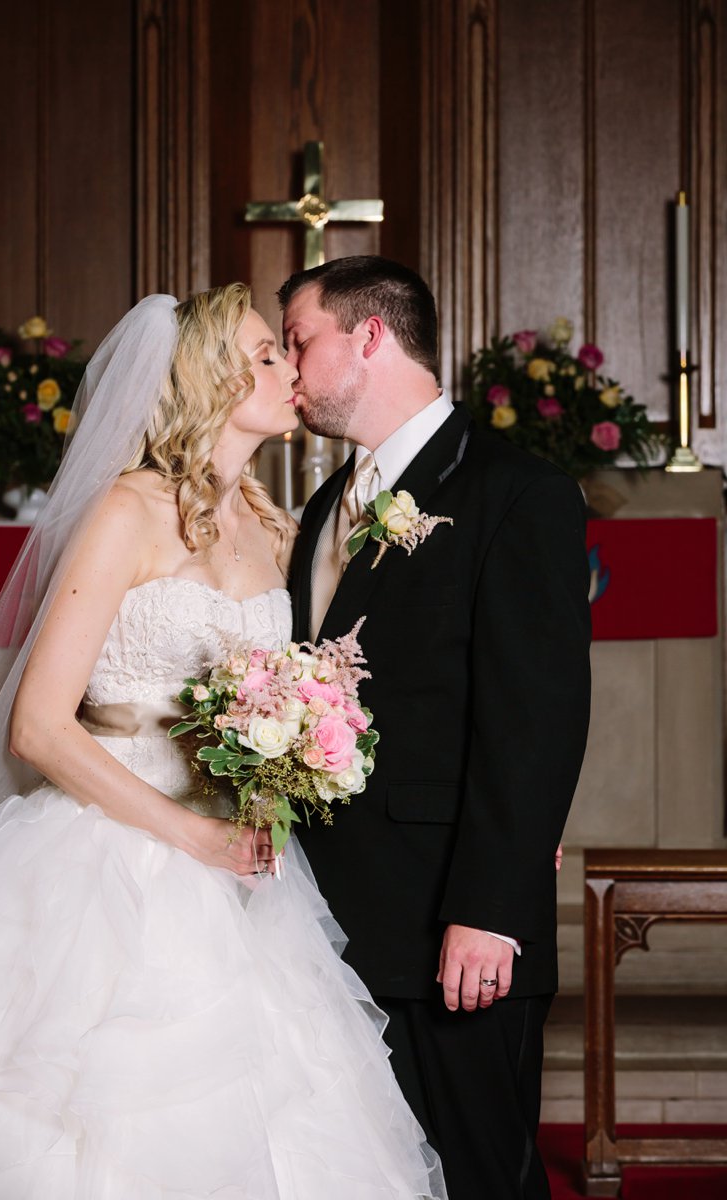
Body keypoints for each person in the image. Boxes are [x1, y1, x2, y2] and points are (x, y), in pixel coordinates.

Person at [0, 285, 446, 1198]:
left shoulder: (277, 525)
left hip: (243, 874)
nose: (290, 368)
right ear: (207, 376)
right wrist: (192, 834)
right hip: (111, 862)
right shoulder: (127, 512)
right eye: (265, 354)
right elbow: (39, 726)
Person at [281, 256, 591, 1200]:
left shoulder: (514, 490)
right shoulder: (327, 507)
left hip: (450, 930)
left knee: (479, 1179)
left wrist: (491, 911)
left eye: (300, 341)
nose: (288, 367)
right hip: (323, 926)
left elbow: (534, 716)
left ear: (368, 336)